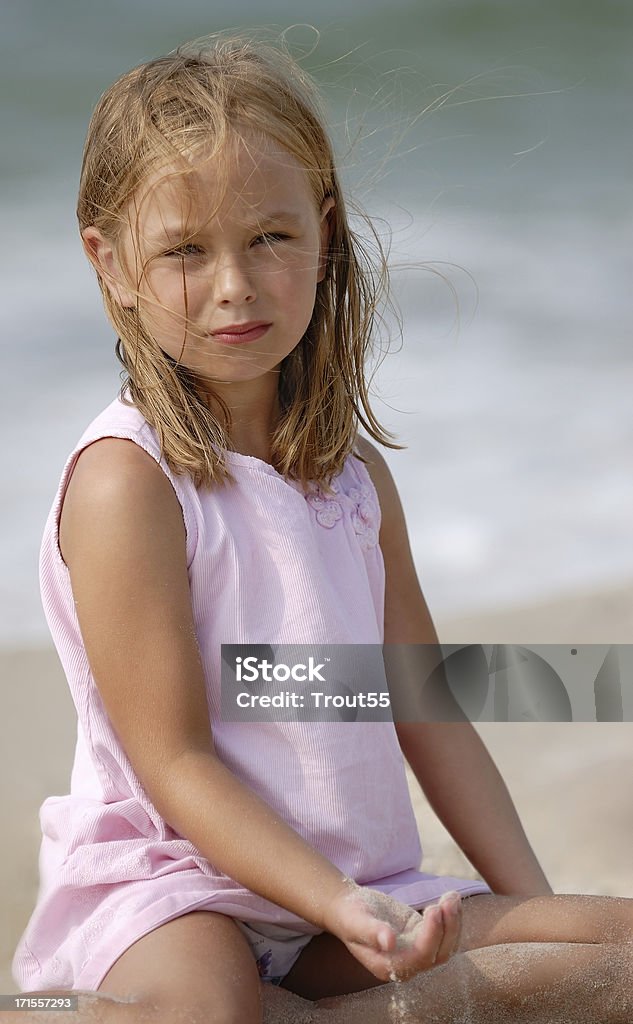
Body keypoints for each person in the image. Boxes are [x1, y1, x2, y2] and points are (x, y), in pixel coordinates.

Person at [10, 32, 632, 1024]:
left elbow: (426, 706)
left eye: (270, 236)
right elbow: (174, 761)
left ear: (325, 232)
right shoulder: (129, 482)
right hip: (177, 886)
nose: (234, 284)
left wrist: (534, 902)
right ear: (110, 261)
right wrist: (335, 901)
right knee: (215, 1010)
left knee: (615, 950)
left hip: (356, 895)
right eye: (185, 249)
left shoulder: (353, 481)